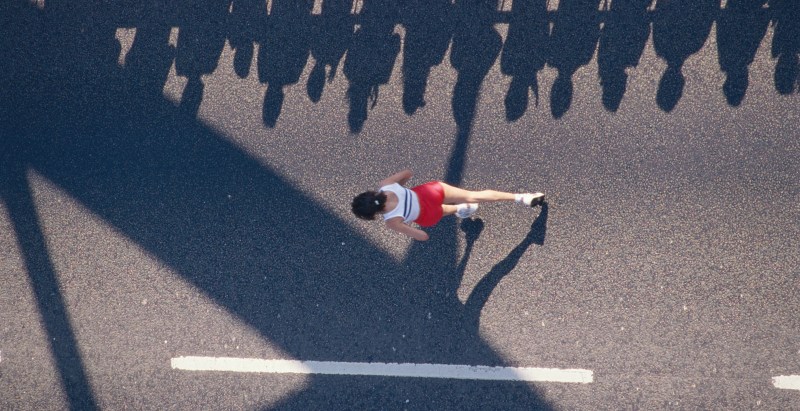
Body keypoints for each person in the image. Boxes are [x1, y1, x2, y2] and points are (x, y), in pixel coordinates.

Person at [351, 170, 544, 241]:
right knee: (473, 195)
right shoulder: (386, 185)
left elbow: (422, 236)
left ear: (373, 214)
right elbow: (408, 173)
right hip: (430, 191)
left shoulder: (391, 221)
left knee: (447, 210)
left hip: (427, 213)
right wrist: (402, 190)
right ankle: (522, 198)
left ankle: (461, 209)